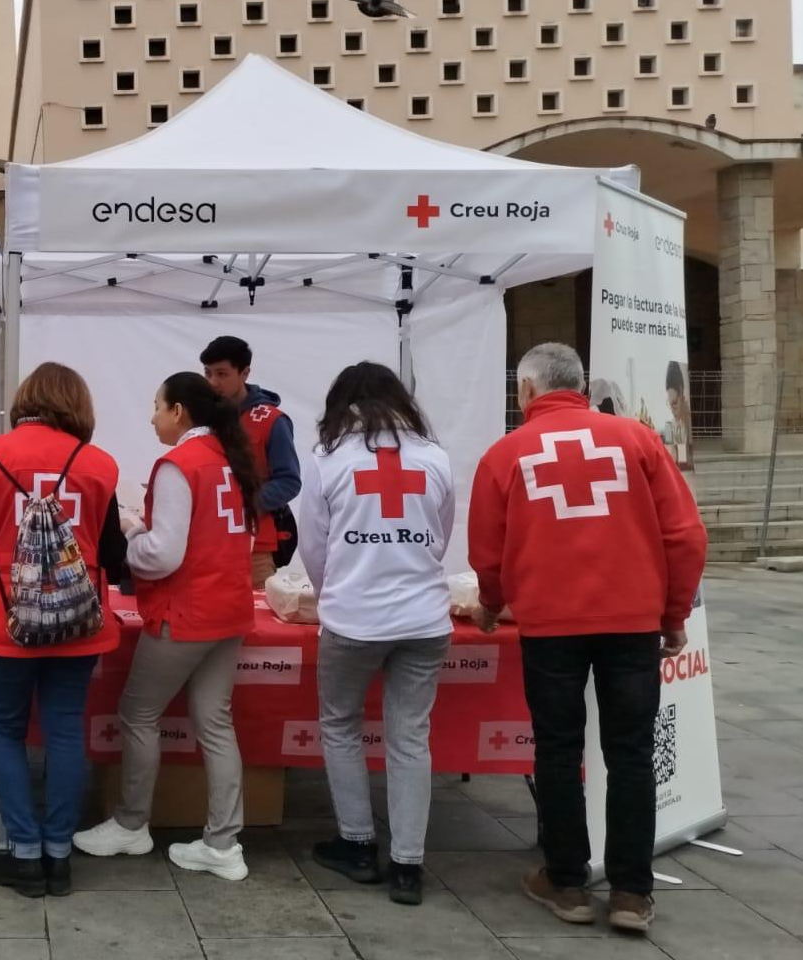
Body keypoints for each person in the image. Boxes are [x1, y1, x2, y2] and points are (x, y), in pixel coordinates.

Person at [469, 342, 707, 935]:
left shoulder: (505, 453)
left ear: (525, 391)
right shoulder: (638, 440)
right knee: (631, 754)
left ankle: (567, 882)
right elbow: (684, 535)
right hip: (631, 623)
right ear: (580, 384)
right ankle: (630, 894)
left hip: (549, 625)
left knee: (557, 748)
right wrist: (673, 614)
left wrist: (491, 605)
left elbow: (489, 551)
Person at [0, 362, 127, 898]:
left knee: (3, 730)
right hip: (79, 623)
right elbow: (115, 559)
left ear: (25, 400)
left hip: (6, 627)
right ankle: (58, 855)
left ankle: (23, 854)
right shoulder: (99, 465)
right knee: (65, 729)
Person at [73, 372, 261, 882]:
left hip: (186, 611)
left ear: (179, 411)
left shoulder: (180, 464)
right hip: (229, 610)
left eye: (157, 406)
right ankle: (223, 843)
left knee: (138, 712)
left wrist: (132, 533)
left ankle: (133, 824)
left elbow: (163, 553)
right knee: (215, 723)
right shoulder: (231, 458)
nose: (152, 416)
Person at [297, 362, 455, 907]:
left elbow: (313, 548)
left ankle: (358, 844)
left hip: (353, 619)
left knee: (340, 725)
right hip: (426, 618)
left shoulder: (327, 459)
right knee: (409, 737)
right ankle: (408, 866)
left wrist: (333, 590)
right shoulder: (435, 456)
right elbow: (439, 536)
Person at [200, 336, 301, 587]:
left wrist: (243, 504)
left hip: (255, 547)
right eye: (208, 373)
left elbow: (289, 481)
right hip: (205, 543)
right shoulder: (202, 417)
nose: (213, 382)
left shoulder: (272, 421)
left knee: (255, 623)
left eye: (222, 374)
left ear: (244, 373)